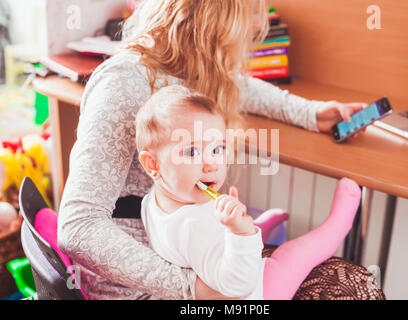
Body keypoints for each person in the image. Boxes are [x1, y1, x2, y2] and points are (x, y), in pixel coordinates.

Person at [58, 0, 382, 300]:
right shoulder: (125, 84)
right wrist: (191, 289)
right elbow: (78, 227)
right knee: (352, 287)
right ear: (218, 22)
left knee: (348, 281)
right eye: (251, 13)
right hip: (141, 287)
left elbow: (242, 87)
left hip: (191, 257)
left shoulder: (191, 70)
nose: (257, 25)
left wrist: (310, 113)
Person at [137, 85, 362, 300]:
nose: (211, 164)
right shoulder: (195, 225)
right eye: (191, 151)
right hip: (259, 291)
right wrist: (241, 232)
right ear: (153, 165)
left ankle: (258, 228)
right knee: (293, 254)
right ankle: (338, 225)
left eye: (217, 149)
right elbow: (237, 286)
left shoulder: (155, 200)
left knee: (239, 228)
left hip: (216, 259)